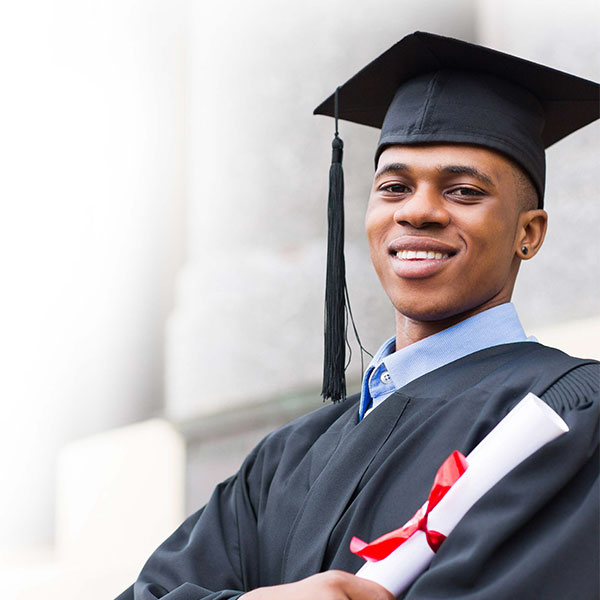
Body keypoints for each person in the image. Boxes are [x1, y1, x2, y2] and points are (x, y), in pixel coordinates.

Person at [116, 32, 599, 600]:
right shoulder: (284, 461)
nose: (418, 210)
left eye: (464, 191)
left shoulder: (567, 416)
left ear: (528, 233)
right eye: (394, 187)